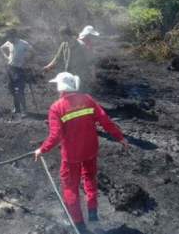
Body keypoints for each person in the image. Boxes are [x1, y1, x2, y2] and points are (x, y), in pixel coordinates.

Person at [34, 72, 129, 233]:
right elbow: (105, 120)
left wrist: (41, 150)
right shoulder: (87, 99)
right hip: (91, 150)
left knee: (70, 188)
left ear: (60, 88)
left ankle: (79, 225)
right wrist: (120, 138)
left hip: (72, 156)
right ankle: (92, 215)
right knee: (90, 179)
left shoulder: (56, 108)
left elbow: (55, 135)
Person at [43, 26, 92, 92]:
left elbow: (89, 61)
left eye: (61, 36)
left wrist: (91, 74)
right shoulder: (64, 45)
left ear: (65, 35)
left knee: (79, 93)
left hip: (80, 76)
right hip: (69, 75)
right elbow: (57, 58)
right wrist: (48, 67)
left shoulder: (81, 45)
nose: (60, 37)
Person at [0, 28, 35, 116]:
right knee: (12, 89)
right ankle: (17, 108)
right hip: (10, 69)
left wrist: (27, 60)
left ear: (14, 36)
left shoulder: (23, 43)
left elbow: (33, 52)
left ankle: (24, 111)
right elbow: (1, 48)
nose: (8, 40)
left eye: (9, 37)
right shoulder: (9, 43)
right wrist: (7, 57)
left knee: (19, 90)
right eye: (7, 38)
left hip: (20, 69)